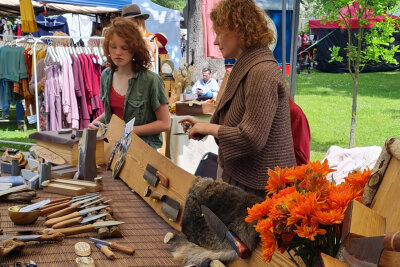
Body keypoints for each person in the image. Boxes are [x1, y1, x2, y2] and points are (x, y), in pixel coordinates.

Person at [180, 0, 296, 197]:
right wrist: (206, 128)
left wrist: (209, 128)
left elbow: (251, 137)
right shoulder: (248, 66)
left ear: (239, 30)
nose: (216, 41)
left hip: (261, 190)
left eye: (219, 33)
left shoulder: (261, 71)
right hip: (247, 182)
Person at [88, 17, 170, 150]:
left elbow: (165, 123)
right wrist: (97, 122)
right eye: (113, 47)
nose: (117, 52)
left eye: (124, 47)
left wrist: (128, 131)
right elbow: (114, 110)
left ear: (134, 48)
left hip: (142, 152)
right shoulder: (106, 76)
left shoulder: (151, 80)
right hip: (112, 148)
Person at [121, 4, 158, 72]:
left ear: (138, 21)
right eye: (125, 22)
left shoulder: (149, 37)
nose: (127, 25)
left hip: (145, 77)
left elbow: (148, 53)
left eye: (131, 21)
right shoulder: (122, 39)